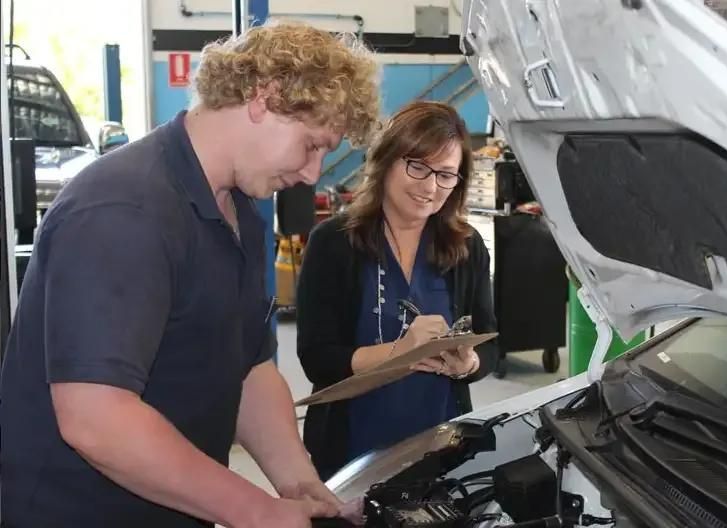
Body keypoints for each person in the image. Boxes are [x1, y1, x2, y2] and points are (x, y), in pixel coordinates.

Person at [0, 21, 380, 528]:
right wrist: (254, 511)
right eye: (312, 145)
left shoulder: (238, 209)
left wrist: (298, 484)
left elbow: (250, 366)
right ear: (263, 98)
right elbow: (96, 417)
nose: (313, 173)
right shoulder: (125, 211)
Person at [296, 101, 499, 480]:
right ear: (386, 160)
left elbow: (489, 344)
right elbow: (317, 357)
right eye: (417, 166)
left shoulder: (467, 248)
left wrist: (467, 363)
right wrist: (400, 353)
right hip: (351, 451)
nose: (430, 186)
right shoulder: (334, 243)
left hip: (440, 448)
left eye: (445, 175)